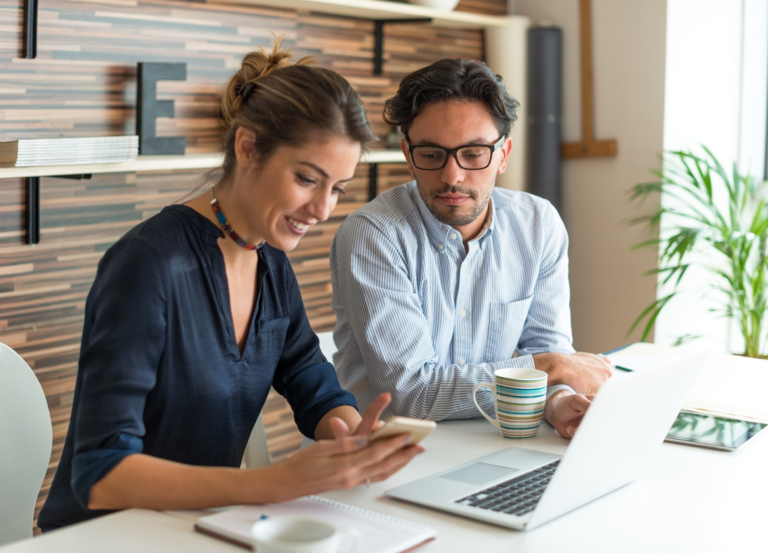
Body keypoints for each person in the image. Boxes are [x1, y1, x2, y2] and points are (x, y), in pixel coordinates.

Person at [37, 40, 422, 532]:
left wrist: (350, 436)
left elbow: (308, 375)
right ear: (247, 146)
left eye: (337, 189)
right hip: (103, 538)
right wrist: (274, 482)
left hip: (196, 530)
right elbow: (101, 473)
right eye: (308, 179)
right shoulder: (147, 264)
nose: (323, 210)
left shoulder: (269, 261)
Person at [330, 58, 612, 438]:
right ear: (407, 155)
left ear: (503, 154)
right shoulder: (372, 235)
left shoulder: (538, 224)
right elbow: (409, 395)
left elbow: (547, 346)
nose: (452, 176)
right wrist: (551, 369)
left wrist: (558, 399)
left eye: (474, 153)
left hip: (488, 441)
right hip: (382, 455)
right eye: (431, 154)